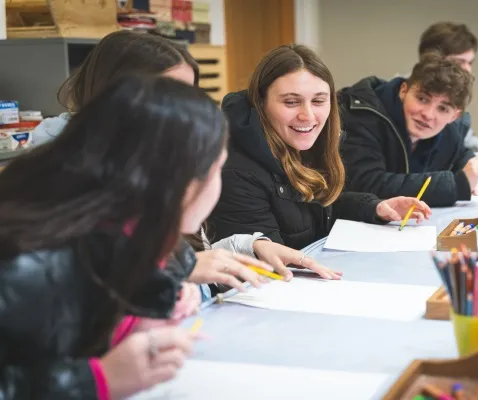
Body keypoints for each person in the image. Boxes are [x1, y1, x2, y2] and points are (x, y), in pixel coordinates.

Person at [31, 30, 340, 296]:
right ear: (112, 91)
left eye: (186, 94)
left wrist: (249, 246)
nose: (180, 109)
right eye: (165, 93)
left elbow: (188, 253)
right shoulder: (62, 167)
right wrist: (180, 270)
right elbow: (77, 282)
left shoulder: (158, 149)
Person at [0, 75, 229, 399]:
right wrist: (98, 380)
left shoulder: (130, 232)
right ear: (183, 181)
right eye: (219, 167)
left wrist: (148, 310)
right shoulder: (32, 264)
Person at [209, 44, 432, 250]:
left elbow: (315, 211)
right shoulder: (237, 172)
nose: (308, 115)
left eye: (318, 101)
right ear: (261, 103)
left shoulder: (301, 145)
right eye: (291, 102)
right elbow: (268, 271)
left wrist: (374, 208)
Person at [338, 51, 478, 207]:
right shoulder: (363, 116)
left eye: (443, 109)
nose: (428, 114)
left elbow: (461, 156)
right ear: (404, 91)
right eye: (422, 99)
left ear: (455, 116)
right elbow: (367, 183)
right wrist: (458, 184)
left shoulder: (451, 129)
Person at [418, 21, 478, 157]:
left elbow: (463, 140)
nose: (468, 70)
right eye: (459, 62)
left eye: (470, 63)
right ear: (432, 59)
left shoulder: (453, 94)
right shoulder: (402, 91)